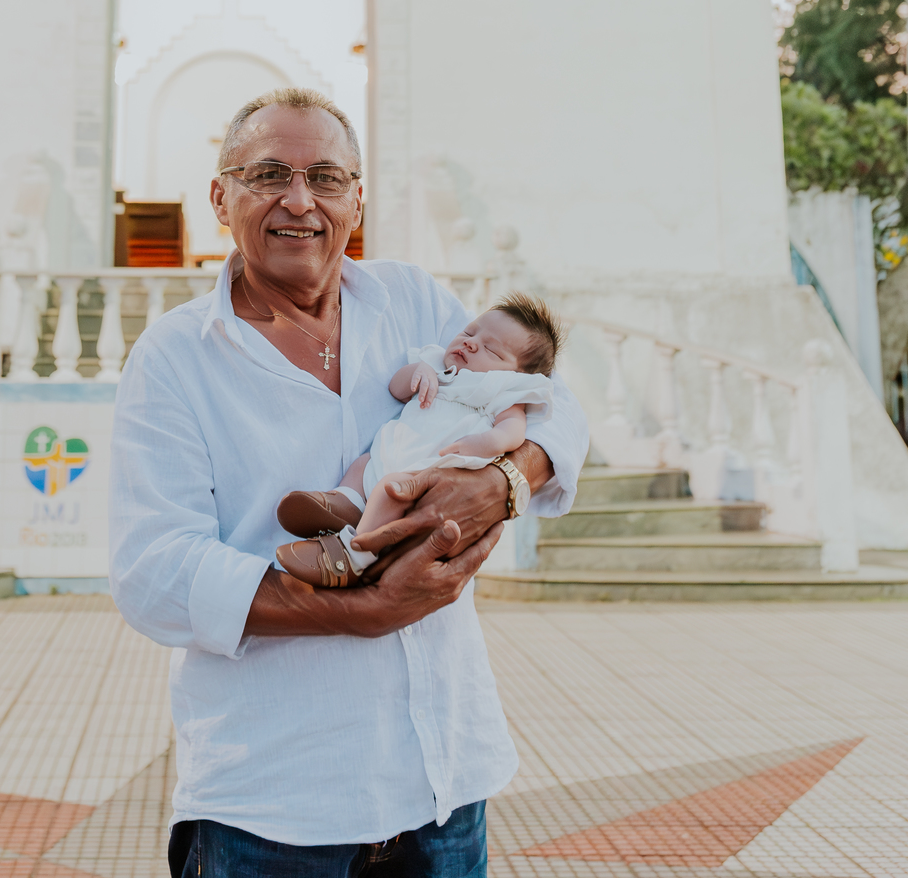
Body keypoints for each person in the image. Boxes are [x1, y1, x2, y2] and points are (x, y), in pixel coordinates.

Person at [108, 87, 589, 877]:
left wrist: (506, 479)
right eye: (269, 173)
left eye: (326, 177)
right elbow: (153, 572)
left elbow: (549, 402)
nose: (300, 200)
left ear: (357, 198)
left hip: (444, 785)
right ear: (220, 196)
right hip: (273, 806)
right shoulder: (174, 357)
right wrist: (360, 611)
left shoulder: (414, 303)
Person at [275, 294, 561, 588]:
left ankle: (352, 555)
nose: (471, 343)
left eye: (491, 350)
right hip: (394, 450)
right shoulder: (435, 364)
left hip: (428, 469)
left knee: (391, 491)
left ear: (517, 375)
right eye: (469, 332)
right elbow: (397, 389)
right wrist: (418, 372)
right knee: (363, 464)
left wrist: (489, 442)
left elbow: (513, 429)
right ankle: (345, 502)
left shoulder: (499, 390)